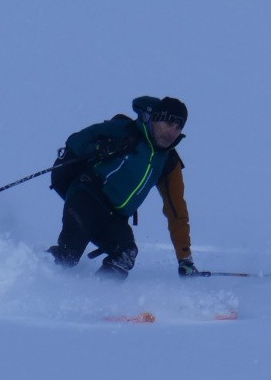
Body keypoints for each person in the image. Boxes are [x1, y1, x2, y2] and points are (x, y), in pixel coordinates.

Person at [47, 96, 200, 279]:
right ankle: (26, 268)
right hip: (87, 196)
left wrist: (185, 259)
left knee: (126, 253)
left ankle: (98, 295)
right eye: (168, 122)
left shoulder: (169, 163)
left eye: (179, 127)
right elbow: (76, 140)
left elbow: (176, 210)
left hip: (115, 217)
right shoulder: (126, 130)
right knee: (68, 255)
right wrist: (99, 147)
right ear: (155, 118)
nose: (172, 131)